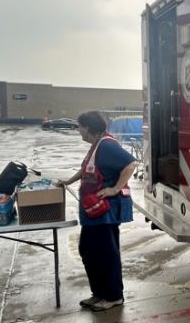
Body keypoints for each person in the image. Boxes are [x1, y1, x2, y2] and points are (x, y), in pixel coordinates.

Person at [56, 111, 138, 312]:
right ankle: (99, 293)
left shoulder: (107, 145)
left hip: (104, 212)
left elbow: (131, 163)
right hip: (93, 212)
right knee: (88, 250)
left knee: (105, 254)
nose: (78, 131)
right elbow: (86, 170)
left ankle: (113, 296)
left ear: (88, 128)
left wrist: (115, 188)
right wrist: (68, 181)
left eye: (79, 127)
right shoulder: (97, 145)